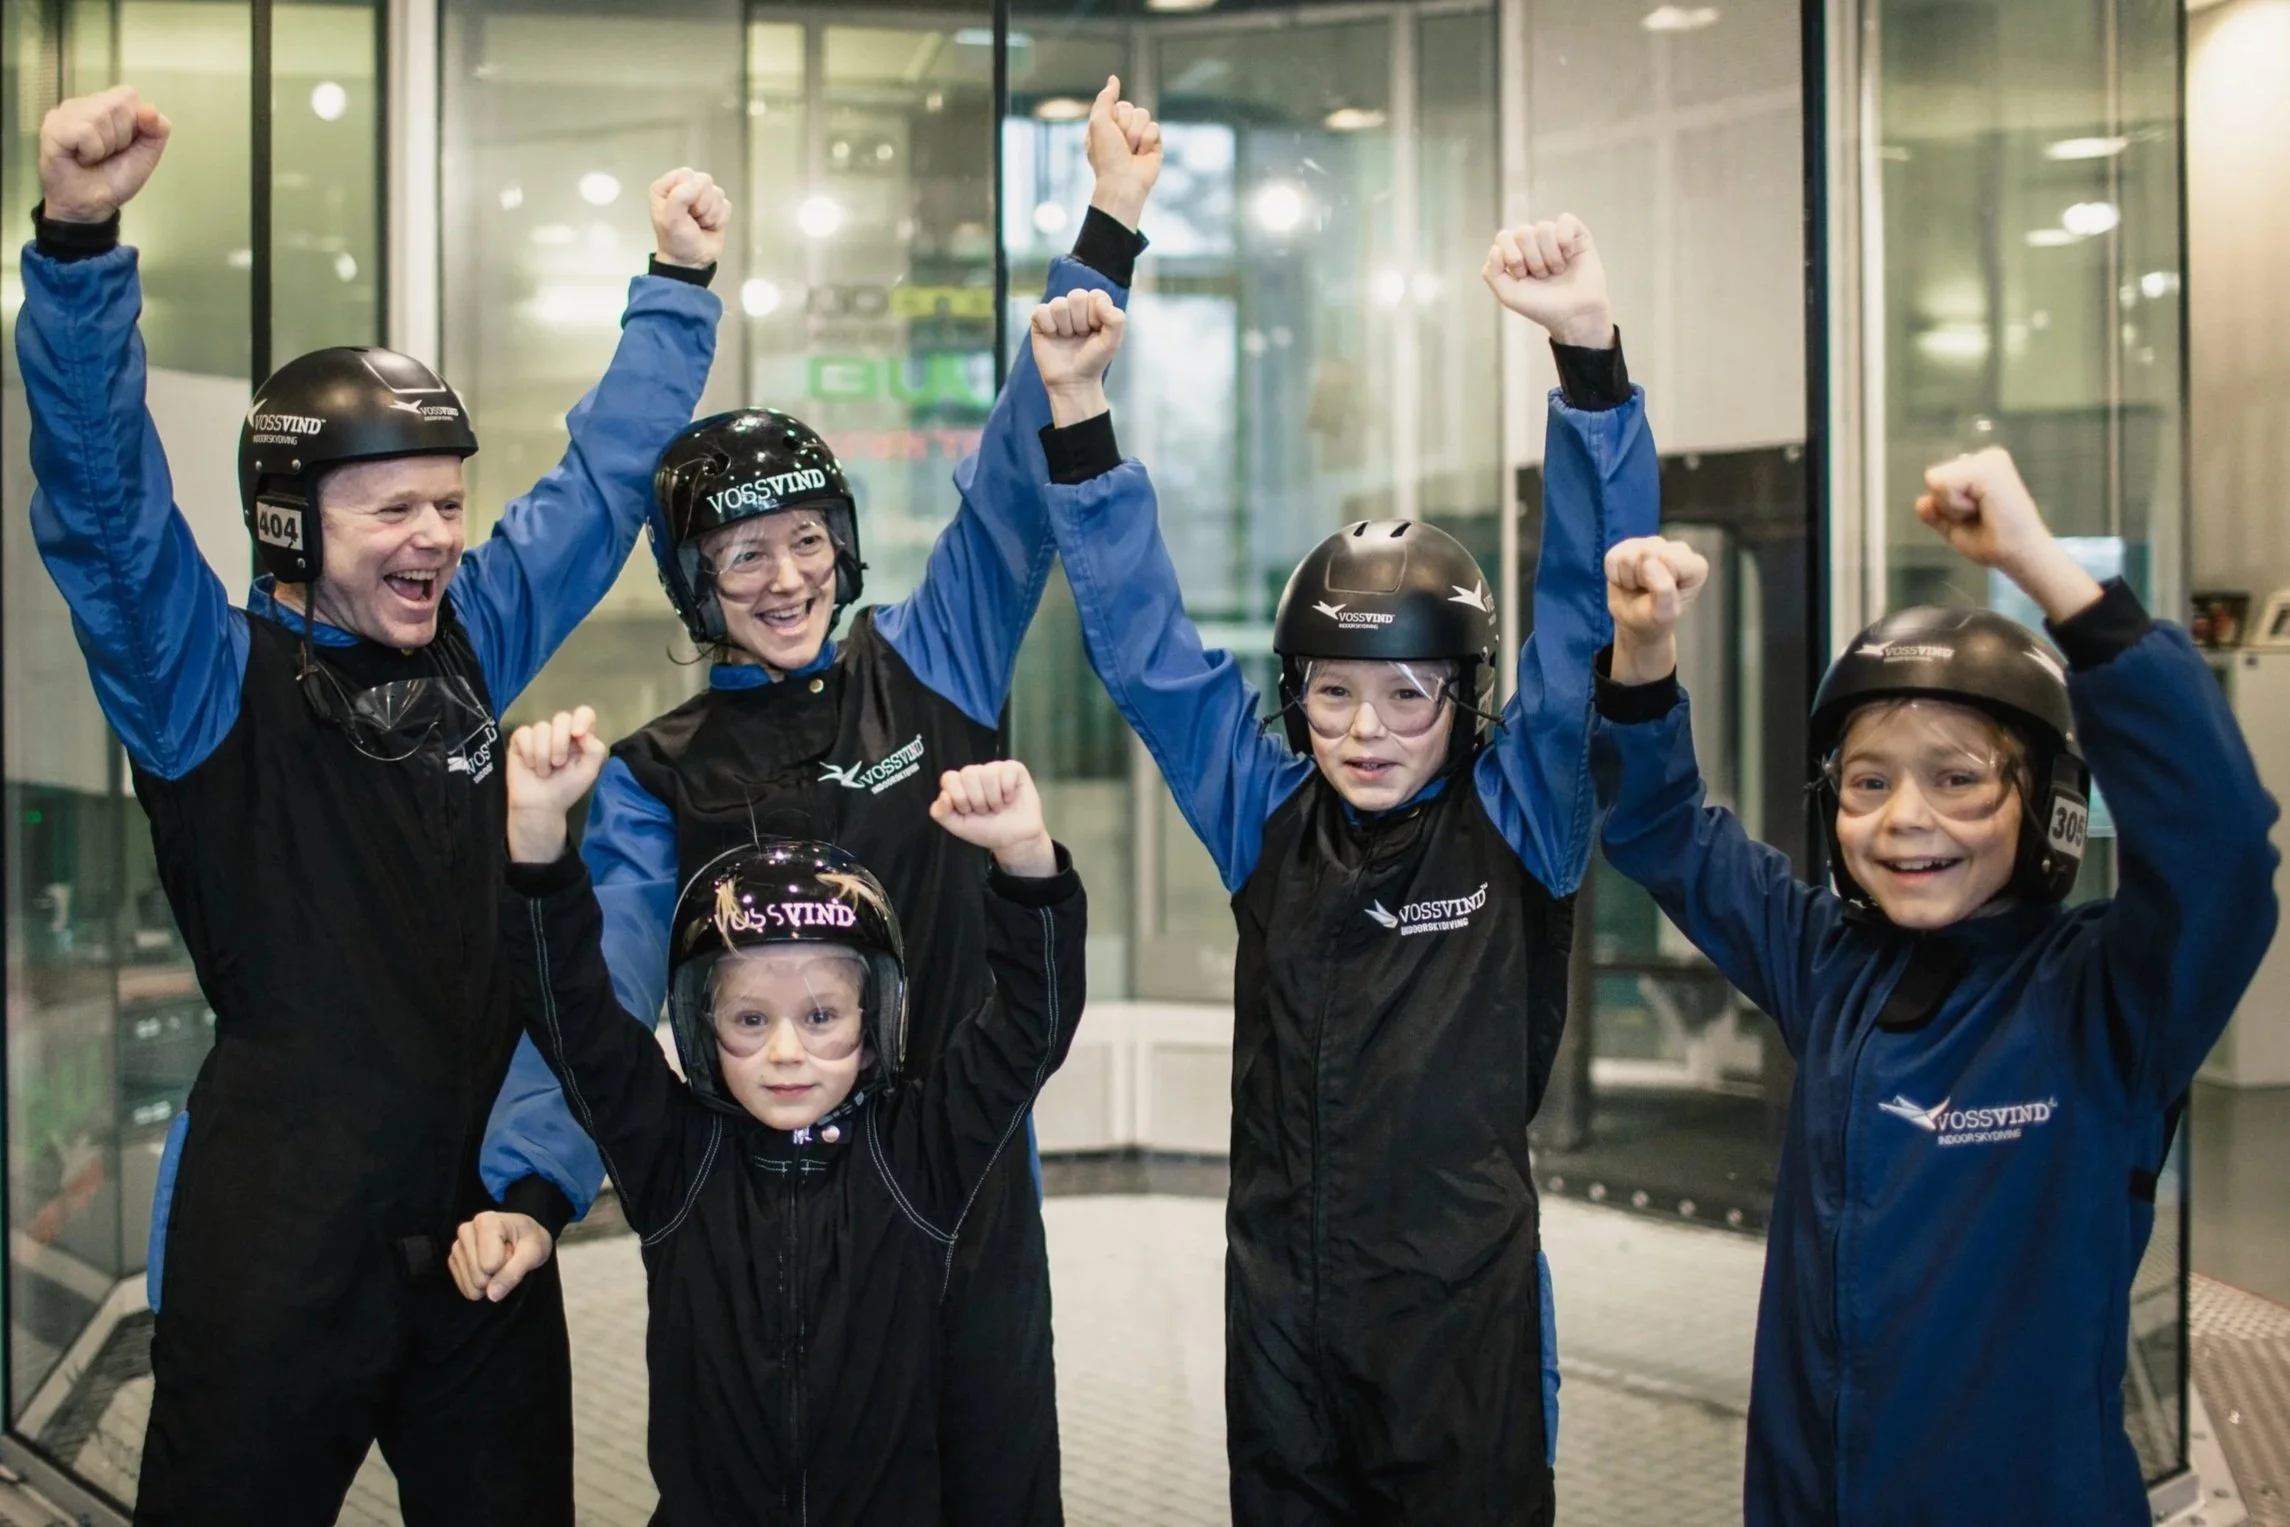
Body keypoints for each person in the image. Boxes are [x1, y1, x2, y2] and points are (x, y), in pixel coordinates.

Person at [455, 75, 1160, 1523]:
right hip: (758, 1192)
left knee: (991, 1476)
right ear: (695, 587)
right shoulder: (660, 770)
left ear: (841, 543)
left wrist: (1109, 229)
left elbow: (1017, 475)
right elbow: (594, 980)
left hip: (956, 1160)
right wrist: (527, 1186)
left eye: (805, 540)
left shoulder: (938, 656)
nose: (783, 578)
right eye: (740, 557)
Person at [18, 84, 725, 1522]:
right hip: (279, 1237)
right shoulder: (203, 679)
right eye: (391, 508)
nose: (437, 536)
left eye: (448, 503)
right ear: (291, 520)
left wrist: (679, 290)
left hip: (477, 1230)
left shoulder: (466, 633)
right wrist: (79, 247)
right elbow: (103, 507)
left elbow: (595, 491)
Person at [1031, 215, 1655, 1523]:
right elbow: (1147, 653)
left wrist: (1587, 359)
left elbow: (1581, 619)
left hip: (1459, 1315)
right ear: (1293, 694)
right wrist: (1080, 412)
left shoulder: (1519, 815)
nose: (1364, 731)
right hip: (1280, 1307)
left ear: (1464, 695)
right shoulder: (1266, 809)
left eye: (1406, 694)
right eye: (1330, 694)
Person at [1592, 448, 2280, 1525]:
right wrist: (1642, 650)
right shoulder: (1826, 965)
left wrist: (2041, 568)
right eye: (1868, 783)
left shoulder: (2109, 999)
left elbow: (2222, 848)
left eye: (1957, 779)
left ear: (2047, 804)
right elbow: (1664, 830)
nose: (1905, 818)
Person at [486, 708, 1087, 1525]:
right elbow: (575, 1019)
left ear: (873, 1024)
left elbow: (1030, 1028)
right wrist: (538, 835)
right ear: (704, 1029)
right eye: (749, 1020)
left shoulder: (920, 1157)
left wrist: (1025, 861)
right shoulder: (677, 1160)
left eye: (820, 1017)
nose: (785, 1054)